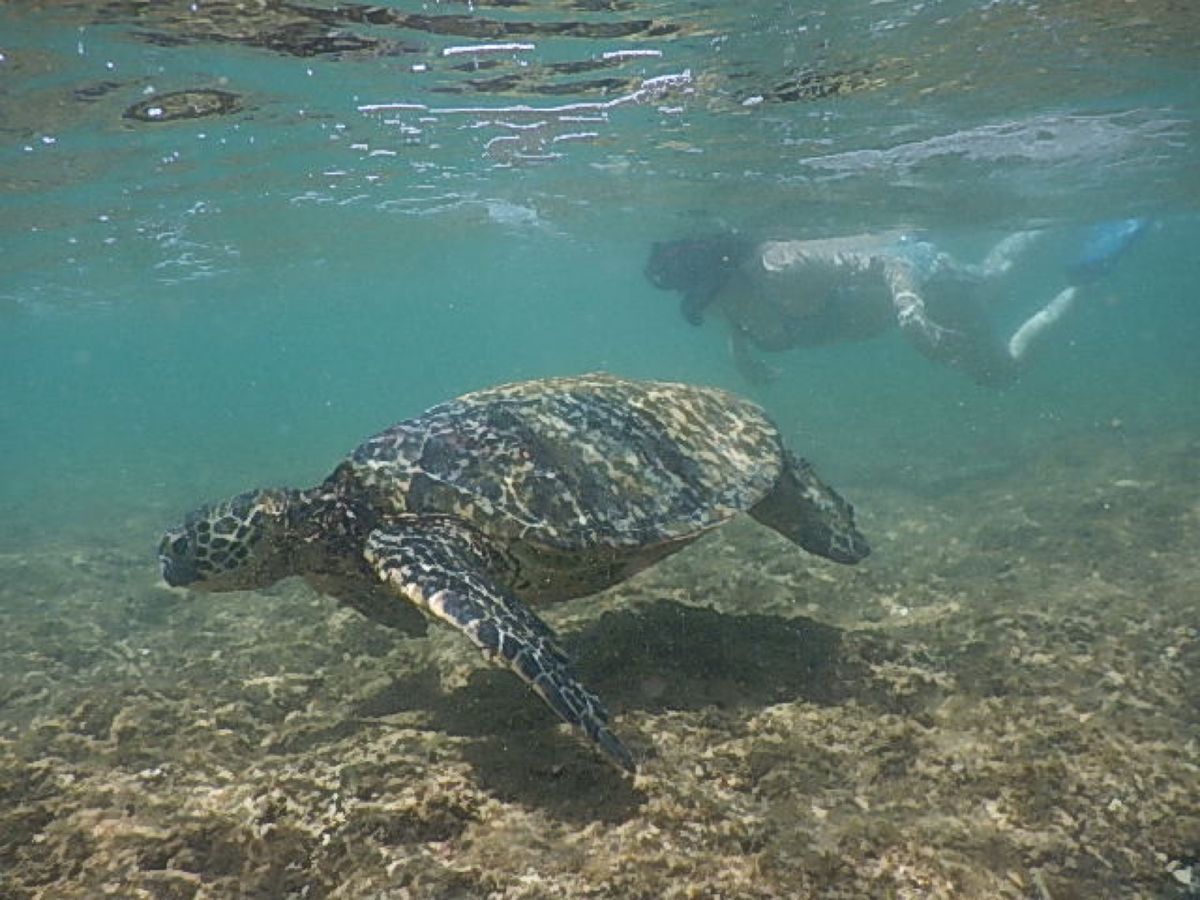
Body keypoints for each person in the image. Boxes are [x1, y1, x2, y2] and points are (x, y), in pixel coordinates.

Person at [645, 220, 1148, 387]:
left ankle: (1083, 265)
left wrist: (913, 316)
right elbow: (734, 320)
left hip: (928, 281)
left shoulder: (781, 265)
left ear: (726, 269)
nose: (704, 304)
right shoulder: (714, 298)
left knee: (1002, 361)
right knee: (997, 285)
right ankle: (1046, 230)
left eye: (709, 291)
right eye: (697, 297)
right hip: (910, 305)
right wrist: (743, 355)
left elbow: (889, 263)